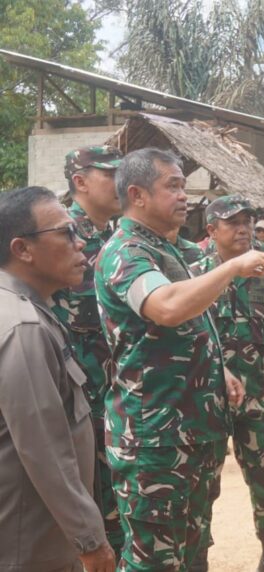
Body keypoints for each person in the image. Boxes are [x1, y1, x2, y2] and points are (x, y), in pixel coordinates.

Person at [94, 148, 264, 570]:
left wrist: (220, 367)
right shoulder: (126, 252)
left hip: (193, 436)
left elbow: (184, 328)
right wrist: (232, 268)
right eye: (172, 186)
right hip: (155, 442)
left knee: (193, 554)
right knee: (153, 561)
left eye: (183, 185)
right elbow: (168, 307)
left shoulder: (170, 251)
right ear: (137, 195)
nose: (184, 195)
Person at [0, 186, 115, 572]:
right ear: (22, 249)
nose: (80, 242)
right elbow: (44, 449)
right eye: (66, 233)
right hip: (29, 548)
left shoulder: (24, 311)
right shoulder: (23, 328)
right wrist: (90, 539)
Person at [192, 196, 264, 572]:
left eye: (247, 221)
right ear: (211, 230)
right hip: (206, 399)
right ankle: (197, 560)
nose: (242, 229)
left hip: (255, 395)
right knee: (203, 484)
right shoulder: (192, 271)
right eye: (231, 223)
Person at [51, 145, 125, 556]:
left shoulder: (113, 239)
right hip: (74, 398)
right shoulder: (62, 240)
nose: (121, 184)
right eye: (110, 175)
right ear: (80, 182)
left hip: (110, 396)